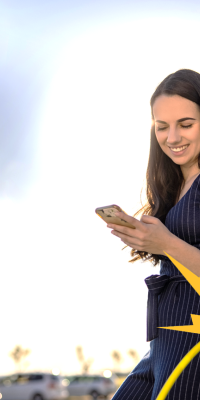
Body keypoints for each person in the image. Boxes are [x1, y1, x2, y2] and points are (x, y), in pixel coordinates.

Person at [107, 69, 200, 399]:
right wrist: (145, 238)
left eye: (186, 124)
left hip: (193, 339)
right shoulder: (173, 185)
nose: (172, 137)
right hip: (164, 341)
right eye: (162, 127)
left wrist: (167, 243)